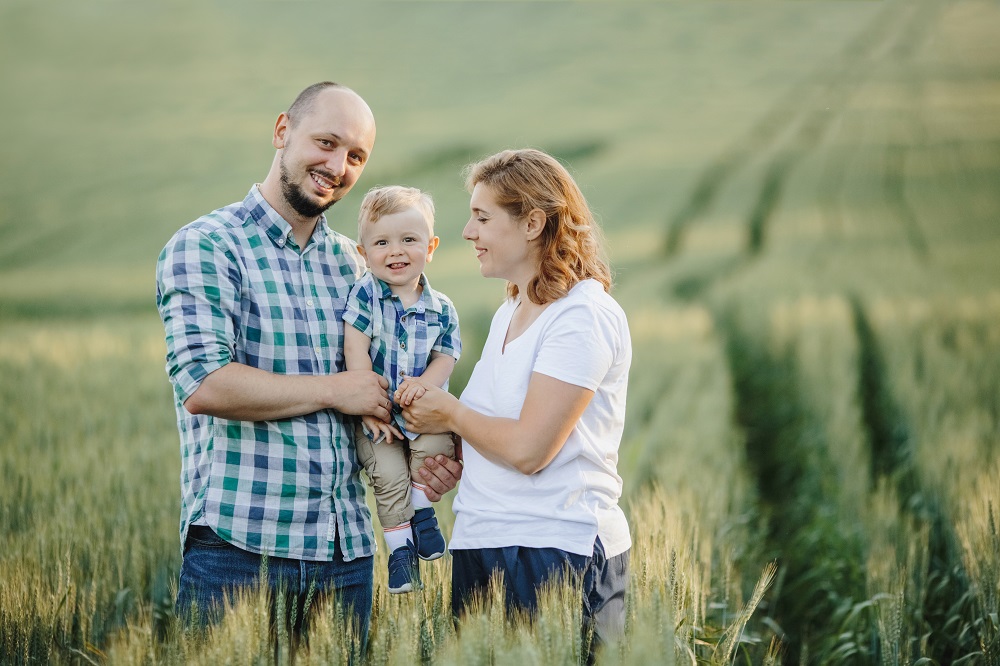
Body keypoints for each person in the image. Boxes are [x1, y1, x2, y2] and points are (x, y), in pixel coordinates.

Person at [154, 82, 462, 642]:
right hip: (239, 551)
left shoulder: (360, 266)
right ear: (281, 131)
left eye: (356, 156)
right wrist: (335, 389)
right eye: (326, 142)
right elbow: (204, 384)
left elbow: (396, 377)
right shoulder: (206, 246)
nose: (337, 165)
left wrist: (430, 449)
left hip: (344, 555)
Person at [397, 148, 632, 653]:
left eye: (482, 217)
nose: (467, 231)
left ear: (532, 223)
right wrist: (456, 456)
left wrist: (449, 411)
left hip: (556, 549)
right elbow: (496, 426)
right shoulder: (513, 308)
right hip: (483, 540)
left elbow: (529, 450)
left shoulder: (581, 315)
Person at [343, 185, 461, 594]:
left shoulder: (442, 307)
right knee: (388, 475)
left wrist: (426, 387)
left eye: (409, 240)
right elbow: (354, 344)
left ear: (430, 247)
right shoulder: (365, 294)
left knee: (436, 449)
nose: (396, 251)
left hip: (420, 408)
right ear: (363, 253)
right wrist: (368, 404)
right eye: (381, 242)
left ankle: (424, 509)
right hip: (376, 414)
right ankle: (400, 553)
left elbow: (446, 355)